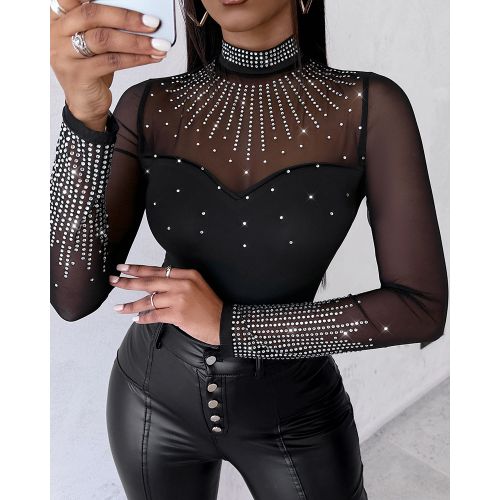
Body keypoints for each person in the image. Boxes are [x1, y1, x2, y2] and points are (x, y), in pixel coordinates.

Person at [49, 0, 449, 498]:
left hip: (295, 415)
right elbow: (72, 298)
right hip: (150, 401)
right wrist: (84, 118)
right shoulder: (147, 105)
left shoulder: (368, 107)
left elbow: (421, 308)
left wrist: (230, 326)